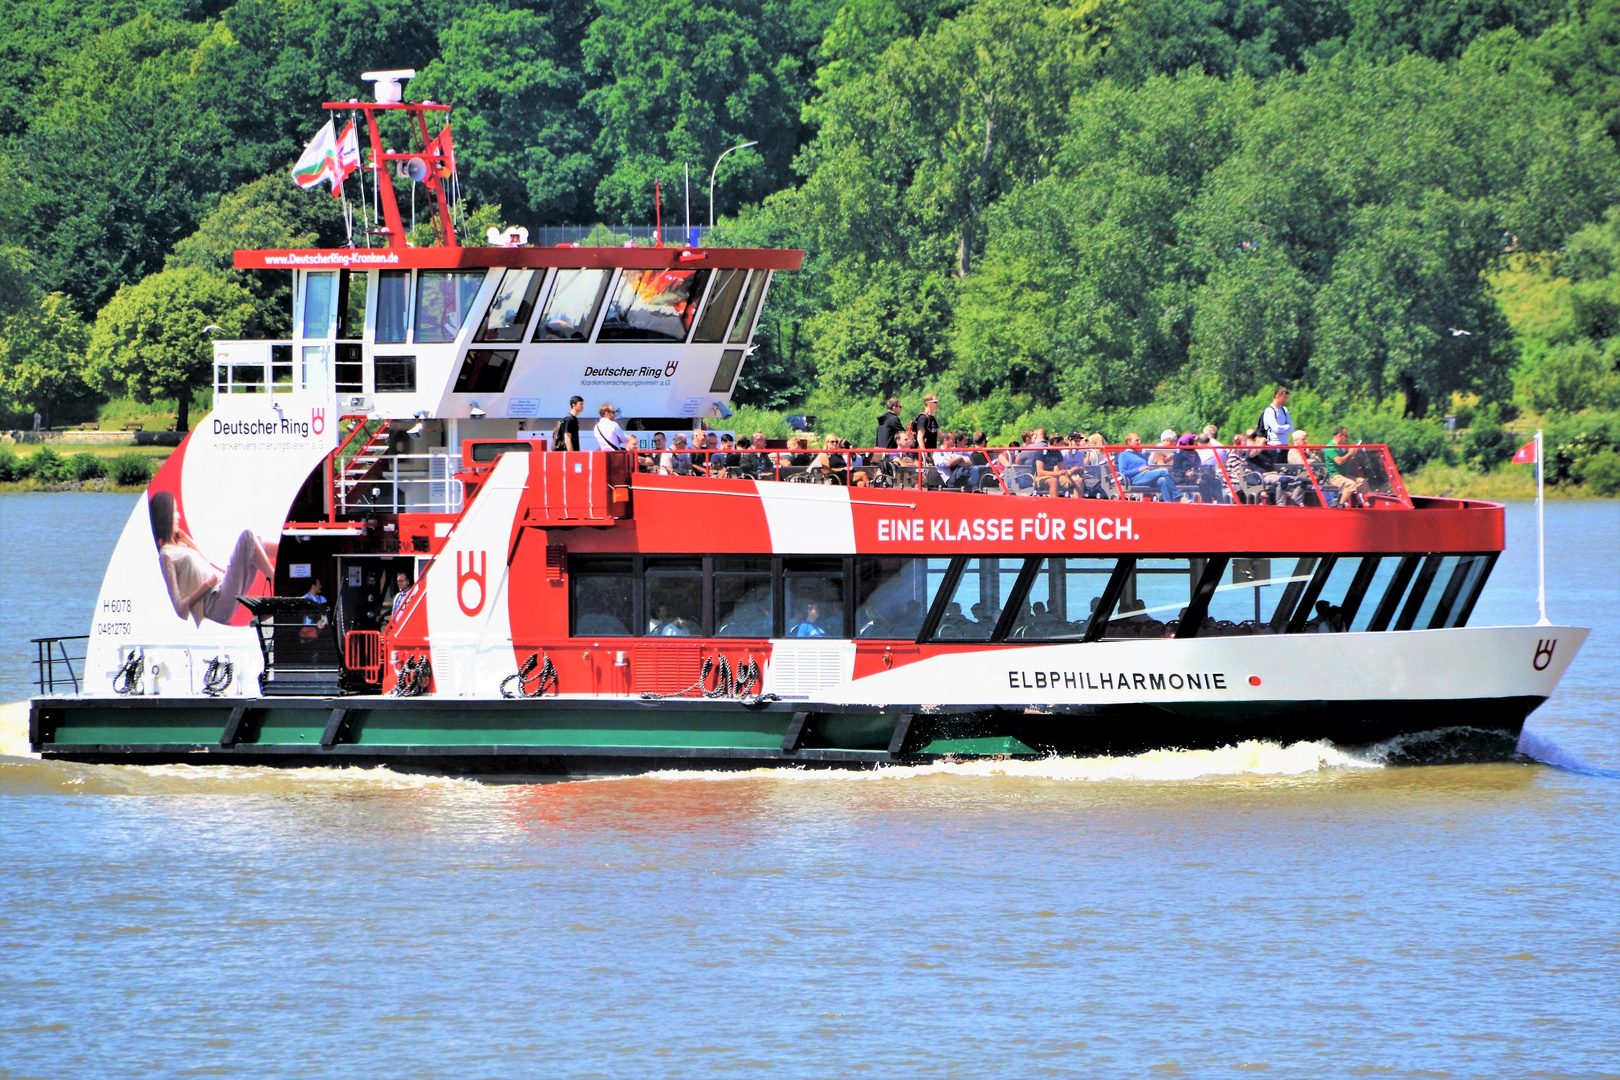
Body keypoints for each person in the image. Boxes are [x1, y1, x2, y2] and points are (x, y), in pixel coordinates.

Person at [149, 490, 278, 626]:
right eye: (175, 511)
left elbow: (206, 562)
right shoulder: (166, 555)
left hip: (220, 590)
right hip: (215, 604)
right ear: (166, 514)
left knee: (256, 542)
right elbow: (180, 608)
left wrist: (188, 540)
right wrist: (207, 585)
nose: (179, 516)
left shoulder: (181, 545)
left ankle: (290, 552)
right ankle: (277, 580)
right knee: (247, 537)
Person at [1116, 432, 1184, 503]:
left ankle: (1169, 505)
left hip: (1146, 476)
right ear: (1129, 442)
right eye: (1137, 440)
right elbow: (1123, 472)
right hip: (1136, 478)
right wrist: (1139, 470)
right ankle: (1178, 496)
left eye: (1139, 440)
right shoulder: (1123, 455)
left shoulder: (1141, 455)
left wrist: (1150, 469)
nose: (1139, 442)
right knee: (1164, 471)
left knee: (1163, 480)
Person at [1322, 426, 1369, 506]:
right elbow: (1339, 461)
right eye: (1346, 436)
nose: (1347, 438)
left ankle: (1360, 504)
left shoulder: (1341, 447)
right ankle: (1340, 505)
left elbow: (1347, 461)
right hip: (1335, 477)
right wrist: (1349, 453)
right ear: (1340, 435)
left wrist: (1354, 453)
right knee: (1351, 484)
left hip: (1344, 475)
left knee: (1362, 482)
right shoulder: (1330, 447)